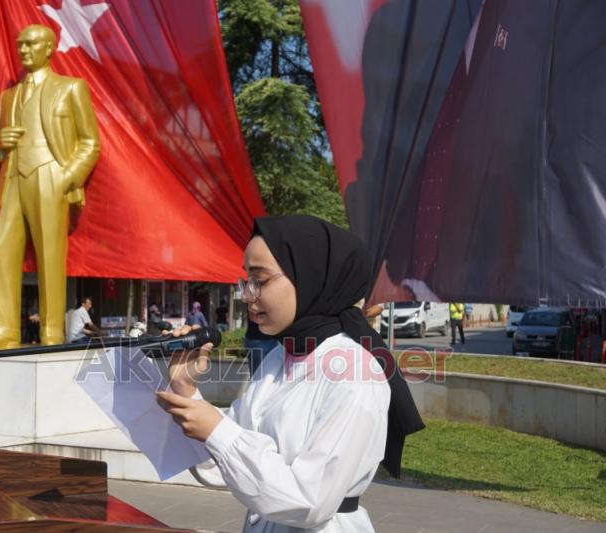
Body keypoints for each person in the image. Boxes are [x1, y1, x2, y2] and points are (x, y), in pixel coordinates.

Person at [157, 215, 424, 532]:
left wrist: (218, 431)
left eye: (260, 280)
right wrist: (184, 387)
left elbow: (309, 501)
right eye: (246, 281)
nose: (247, 295)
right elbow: (221, 465)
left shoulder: (354, 373)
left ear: (310, 277)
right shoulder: (280, 357)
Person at [0, 24, 101, 350]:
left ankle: (52, 332)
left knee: (50, 255)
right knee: (1, 249)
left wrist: (66, 176)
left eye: (31, 44)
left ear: (49, 48)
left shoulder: (71, 88)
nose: (24, 50)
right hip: (12, 178)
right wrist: (0, 143)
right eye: (21, 45)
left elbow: (90, 142)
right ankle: (4, 329)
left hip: (49, 177)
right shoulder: (8, 96)